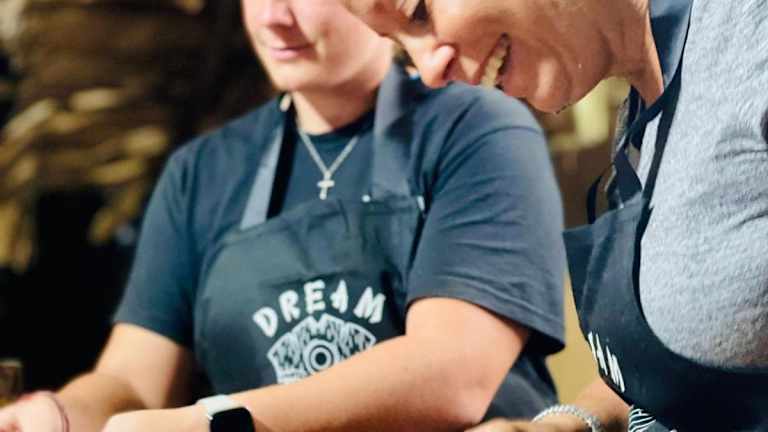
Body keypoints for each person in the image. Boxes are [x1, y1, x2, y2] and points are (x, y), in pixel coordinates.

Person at [0, 0, 568, 430]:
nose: (274, 17)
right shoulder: (201, 172)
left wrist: (216, 421)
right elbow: (131, 381)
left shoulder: (476, 129)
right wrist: (60, 413)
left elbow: (451, 373)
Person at [340, 0, 768, 431]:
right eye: (401, 47)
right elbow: (694, 362)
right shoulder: (644, 116)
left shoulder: (751, 41)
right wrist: (569, 423)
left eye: (418, 11)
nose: (430, 72)